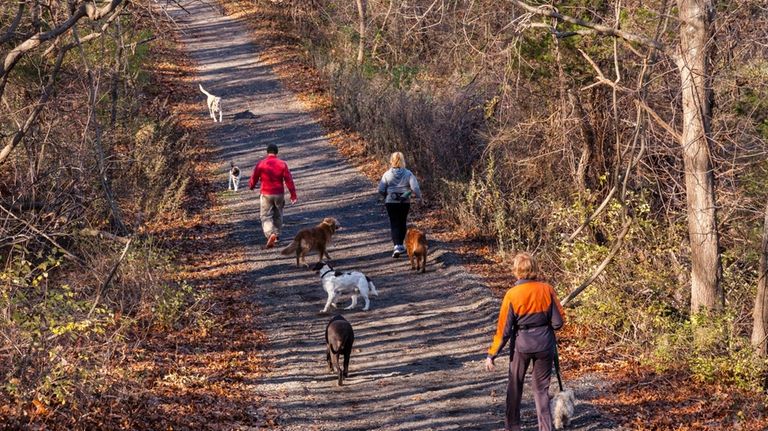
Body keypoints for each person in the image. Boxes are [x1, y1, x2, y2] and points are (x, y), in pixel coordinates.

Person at [485, 252, 565, 431]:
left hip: (521, 345)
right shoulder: (547, 289)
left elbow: (504, 330)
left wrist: (492, 354)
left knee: (515, 386)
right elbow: (558, 323)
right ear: (535, 268)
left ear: (516, 271)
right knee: (541, 390)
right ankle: (545, 428)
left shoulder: (512, 295)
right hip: (545, 345)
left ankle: (513, 426)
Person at [249, 143, 298, 248]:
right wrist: (293, 195)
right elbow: (289, 180)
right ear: (277, 152)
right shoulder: (282, 164)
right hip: (279, 193)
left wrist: (252, 186)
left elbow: (254, 177)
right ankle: (276, 235)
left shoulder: (261, 163)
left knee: (266, 215)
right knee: (278, 214)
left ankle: (270, 233)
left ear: (267, 152)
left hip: (266, 194)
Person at [378, 152, 422, 258]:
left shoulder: (387, 174)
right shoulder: (408, 173)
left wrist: (385, 196)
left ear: (391, 161)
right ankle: (401, 245)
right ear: (403, 161)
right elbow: (415, 188)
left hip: (391, 202)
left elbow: (381, 189)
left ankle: (397, 246)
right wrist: (419, 197)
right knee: (402, 222)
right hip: (404, 202)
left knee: (394, 223)